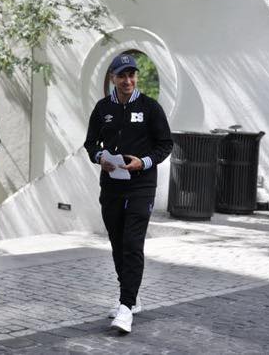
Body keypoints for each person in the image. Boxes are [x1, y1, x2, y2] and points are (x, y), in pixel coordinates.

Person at [83, 53, 173, 333]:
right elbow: (90, 143)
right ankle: (131, 297)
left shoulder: (150, 108)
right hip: (112, 184)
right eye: (122, 76)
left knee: (133, 243)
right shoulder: (102, 108)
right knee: (118, 243)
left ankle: (125, 306)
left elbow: (165, 144)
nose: (127, 81)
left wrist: (143, 162)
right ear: (113, 78)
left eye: (131, 75)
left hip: (141, 186)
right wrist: (100, 157)